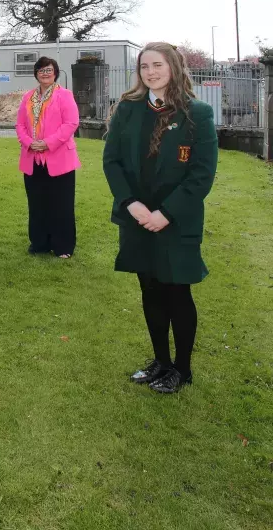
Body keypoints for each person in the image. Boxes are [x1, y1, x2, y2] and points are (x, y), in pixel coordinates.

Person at [103, 42, 217, 394]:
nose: (150, 72)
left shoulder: (197, 113)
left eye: (158, 65)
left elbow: (201, 174)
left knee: (176, 292)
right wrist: (131, 203)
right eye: (144, 66)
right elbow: (113, 161)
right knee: (149, 289)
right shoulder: (128, 109)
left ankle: (182, 369)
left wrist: (166, 213)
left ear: (174, 68)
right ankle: (161, 362)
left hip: (175, 221)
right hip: (137, 218)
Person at [15, 57, 81, 258]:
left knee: (61, 204)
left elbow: (71, 124)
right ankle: (39, 243)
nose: (45, 73)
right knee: (37, 204)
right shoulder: (28, 97)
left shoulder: (65, 95)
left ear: (56, 73)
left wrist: (47, 143)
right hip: (33, 160)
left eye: (49, 70)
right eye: (41, 70)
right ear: (36, 73)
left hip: (59, 159)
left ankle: (63, 247)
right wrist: (29, 142)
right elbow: (20, 125)